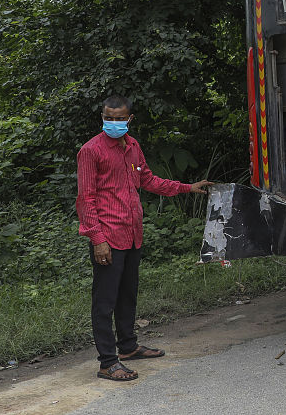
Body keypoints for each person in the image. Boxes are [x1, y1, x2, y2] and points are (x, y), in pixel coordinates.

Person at [76, 95, 212, 382]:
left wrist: (187, 187)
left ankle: (127, 347)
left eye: (119, 118)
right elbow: (85, 200)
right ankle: (107, 362)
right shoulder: (91, 151)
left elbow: (148, 180)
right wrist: (97, 238)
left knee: (128, 295)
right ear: (102, 117)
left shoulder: (133, 146)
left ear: (129, 119)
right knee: (104, 301)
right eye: (108, 117)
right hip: (108, 236)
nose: (113, 122)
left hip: (132, 234)